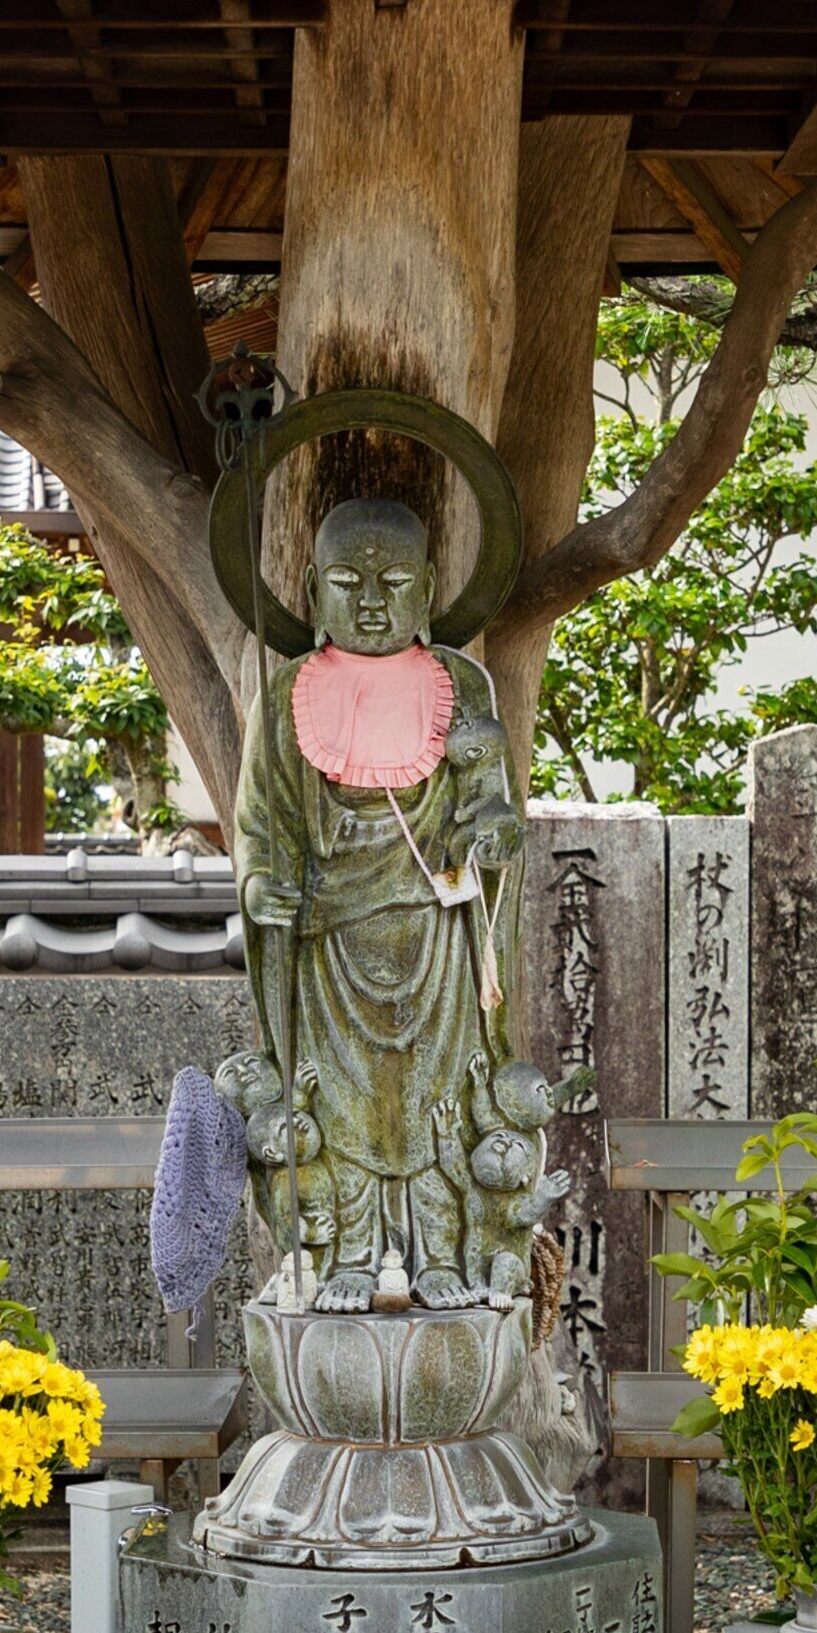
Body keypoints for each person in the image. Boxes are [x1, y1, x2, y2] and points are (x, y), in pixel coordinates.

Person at [229, 497, 526, 1312]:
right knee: (344, 1104)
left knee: (437, 1103)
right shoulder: (286, 692)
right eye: (346, 582)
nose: (370, 602)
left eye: (395, 582)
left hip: (434, 932)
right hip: (329, 940)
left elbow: (488, 803)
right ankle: (347, 1261)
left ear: (430, 587)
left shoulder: (459, 684)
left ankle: (442, 1256)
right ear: (311, 588)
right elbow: (258, 818)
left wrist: (494, 837)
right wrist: (260, 884)